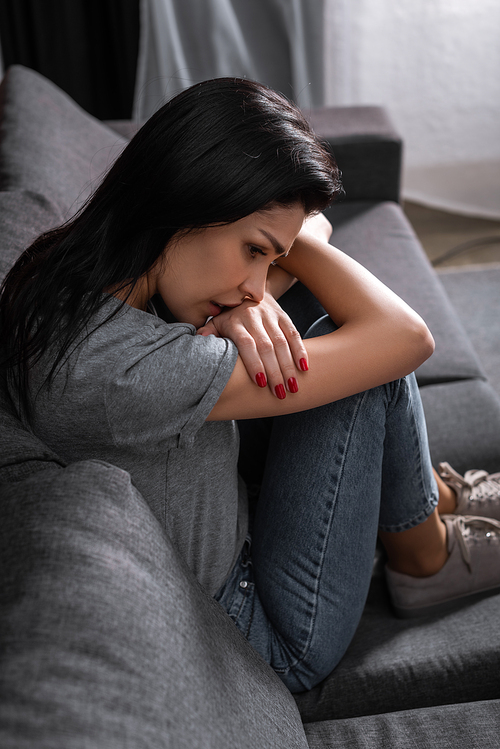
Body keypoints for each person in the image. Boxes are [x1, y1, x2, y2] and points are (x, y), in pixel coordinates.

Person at [1, 78, 500, 693]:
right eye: (254, 250)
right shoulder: (112, 371)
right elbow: (404, 337)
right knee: (359, 362)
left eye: (268, 258)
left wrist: (250, 293)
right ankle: (425, 555)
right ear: (187, 199)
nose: (257, 284)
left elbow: (313, 225)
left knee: (316, 324)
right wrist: (269, 281)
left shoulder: (81, 275)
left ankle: (436, 504)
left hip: (244, 518)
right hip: (267, 632)